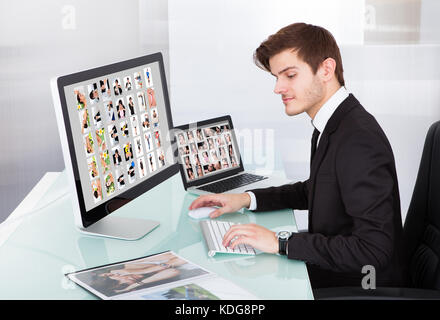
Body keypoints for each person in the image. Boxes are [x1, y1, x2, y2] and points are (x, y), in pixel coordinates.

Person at [189, 23, 406, 289]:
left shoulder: (358, 140)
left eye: (290, 75)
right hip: (340, 269)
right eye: (276, 77)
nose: (278, 88)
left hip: (362, 284)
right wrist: (246, 199)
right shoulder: (333, 124)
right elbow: (318, 190)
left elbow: (373, 251)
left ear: (326, 69)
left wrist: (280, 243)